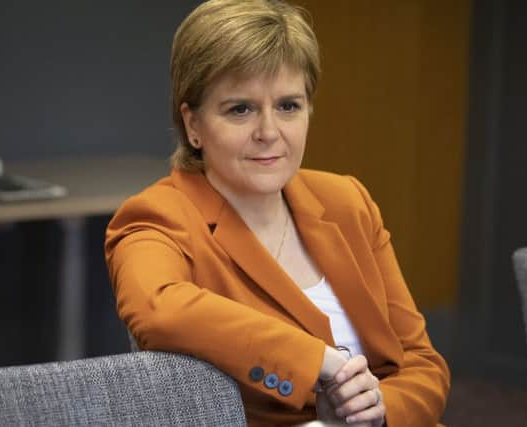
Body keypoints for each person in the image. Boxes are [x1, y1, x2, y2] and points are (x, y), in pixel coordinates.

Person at [105, 0, 450, 425]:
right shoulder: (157, 217)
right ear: (193, 124)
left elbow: (421, 362)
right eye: (240, 109)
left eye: (288, 106)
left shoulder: (347, 201)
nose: (269, 133)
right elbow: (158, 308)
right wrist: (318, 364)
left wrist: (380, 411)